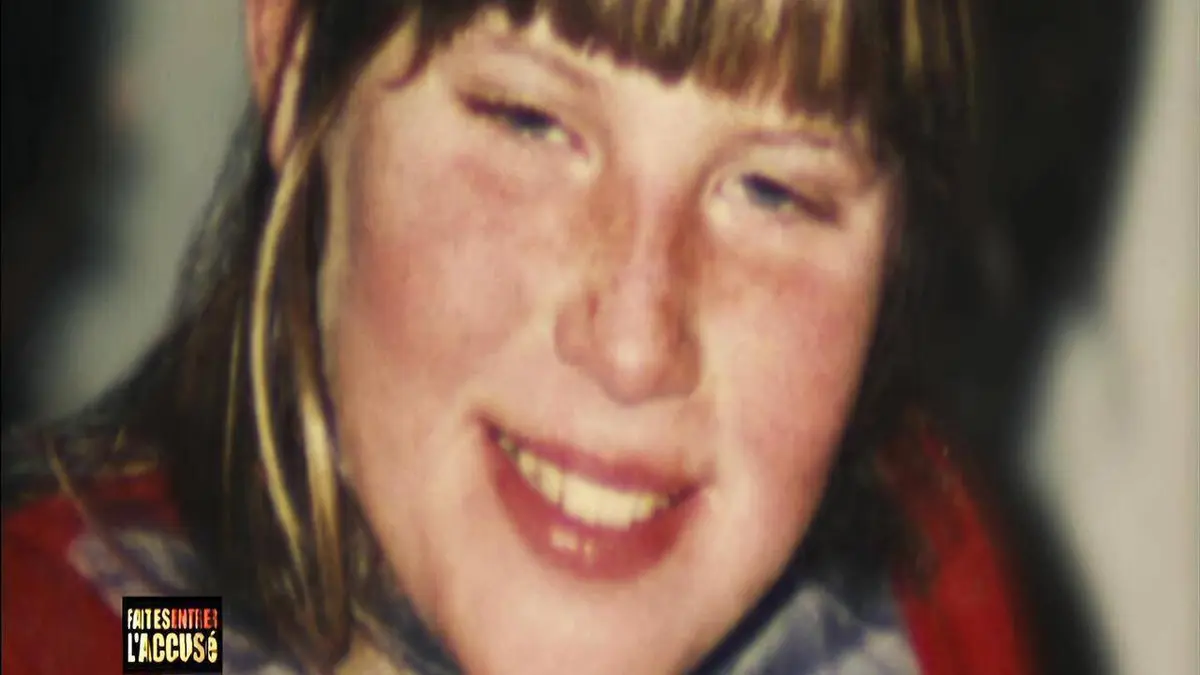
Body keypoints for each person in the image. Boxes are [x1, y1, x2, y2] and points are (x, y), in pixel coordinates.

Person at [2, 0, 1032, 673]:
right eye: (529, 122)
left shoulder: (924, 594)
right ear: (298, 60)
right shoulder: (132, 629)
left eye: (773, 190)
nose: (633, 346)